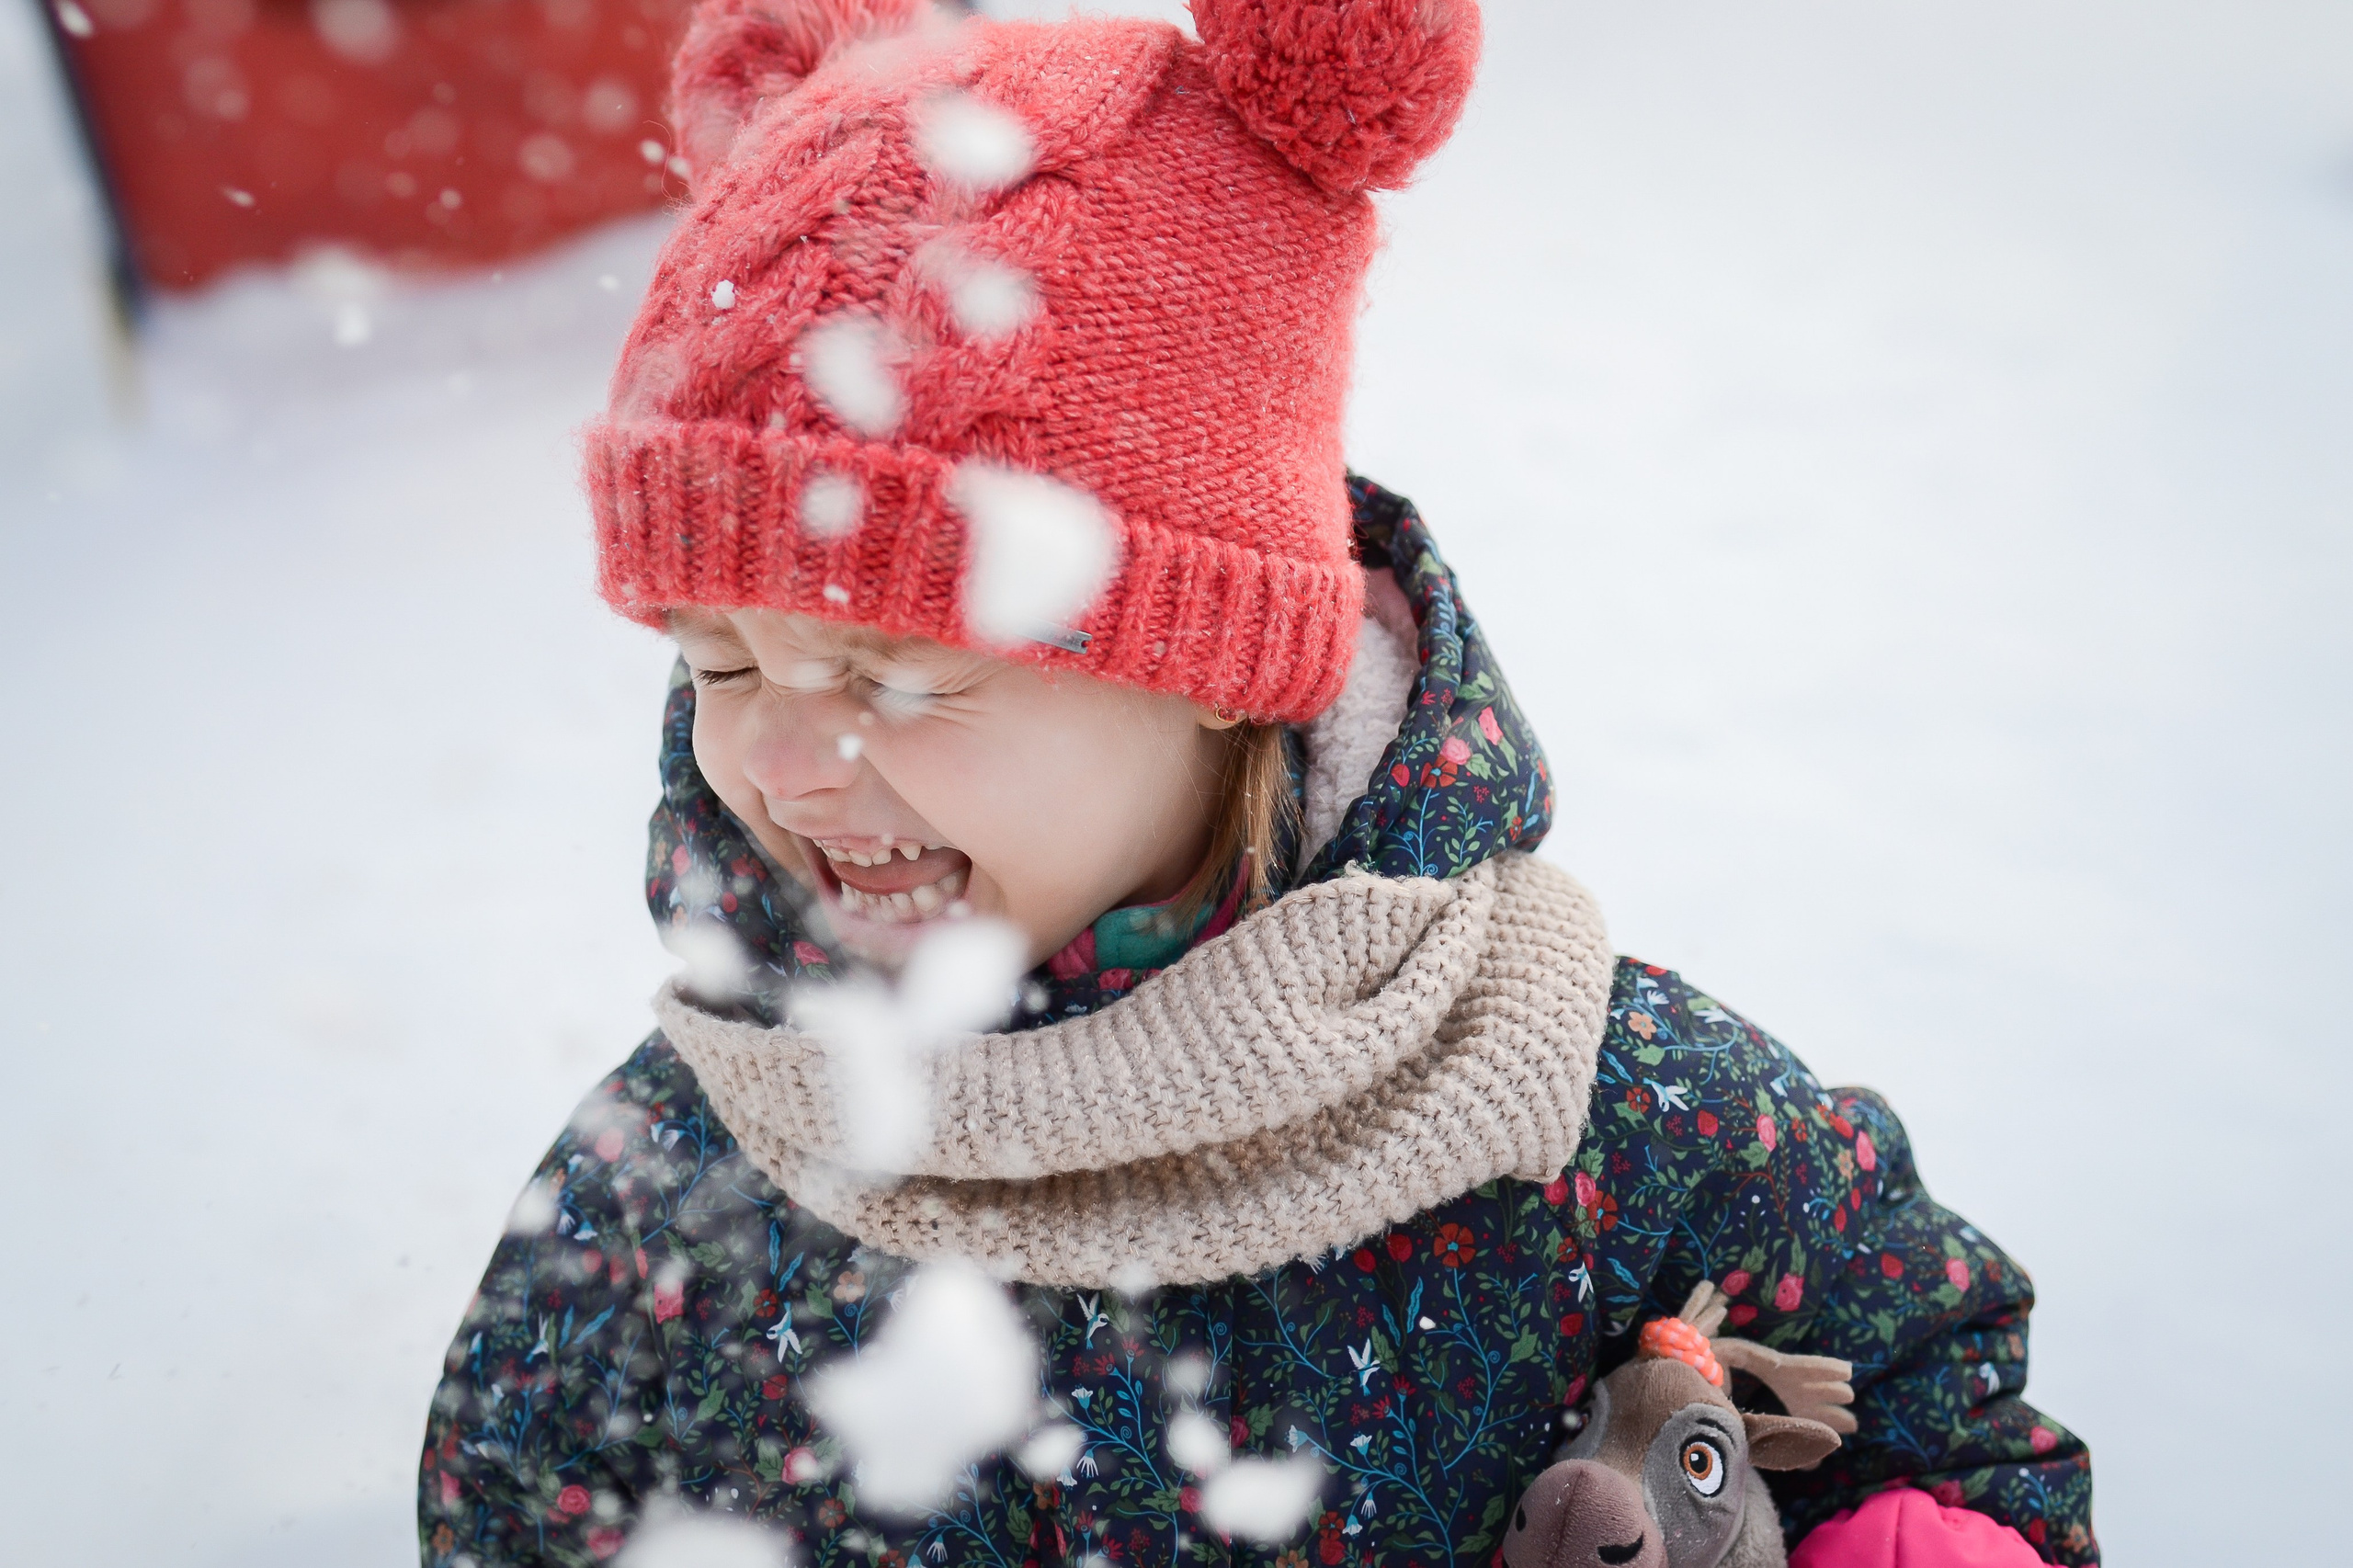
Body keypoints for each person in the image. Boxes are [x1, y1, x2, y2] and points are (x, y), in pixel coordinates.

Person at [417, 2, 2096, 1563]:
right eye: (719, 662)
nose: (775, 757)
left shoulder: (1601, 1122)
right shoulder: (681, 1182)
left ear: (1223, 682)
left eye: (897, 674)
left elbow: (1947, 1425)